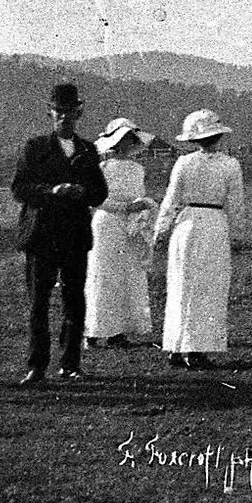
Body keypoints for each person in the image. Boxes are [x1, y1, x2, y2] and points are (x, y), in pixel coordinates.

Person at [11, 83, 109, 386]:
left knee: (74, 300)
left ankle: (70, 364)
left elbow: (100, 193)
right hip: (41, 235)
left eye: (71, 112)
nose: (65, 117)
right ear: (51, 112)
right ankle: (36, 366)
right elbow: (19, 188)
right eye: (60, 111)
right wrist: (51, 191)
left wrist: (82, 191)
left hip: (75, 236)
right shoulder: (35, 148)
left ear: (79, 112)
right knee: (38, 303)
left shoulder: (87, 150)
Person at [155, 110, 246, 370]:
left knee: (182, 284)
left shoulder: (183, 163)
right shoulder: (230, 164)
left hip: (186, 225)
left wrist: (160, 231)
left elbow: (170, 201)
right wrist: (236, 233)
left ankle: (177, 345)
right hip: (214, 224)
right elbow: (235, 205)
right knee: (208, 286)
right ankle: (194, 348)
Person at [85, 117, 158, 350]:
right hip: (107, 224)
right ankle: (94, 331)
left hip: (130, 227)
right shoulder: (101, 168)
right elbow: (96, 200)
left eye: (131, 139)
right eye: (123, 139)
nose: (127, 143)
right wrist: (125, 208)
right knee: (104, 276)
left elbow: (139, 195)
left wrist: (143, 207)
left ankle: (118, 332)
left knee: (127, 275)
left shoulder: (138, 169)